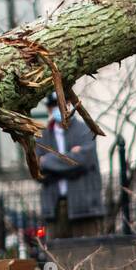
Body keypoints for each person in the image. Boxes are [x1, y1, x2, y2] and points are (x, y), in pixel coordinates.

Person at [35, 93, 104, 239]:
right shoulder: (43, 136)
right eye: (54, 106)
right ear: (49, 110)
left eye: (61, 104)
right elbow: (35, 167)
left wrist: (48, 162)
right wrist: (69, 161)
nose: (58, 109)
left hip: (84, 209)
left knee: (86, 254)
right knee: (56, 258)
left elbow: (82, 161)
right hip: (54, 210)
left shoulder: (85, 130)